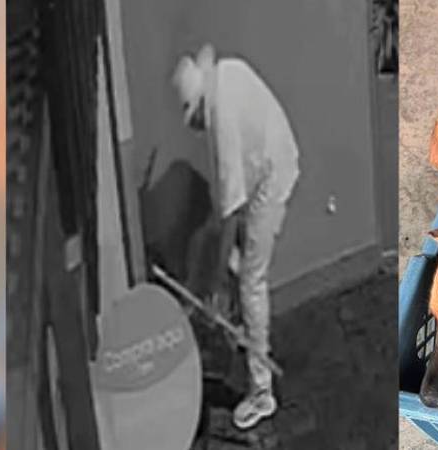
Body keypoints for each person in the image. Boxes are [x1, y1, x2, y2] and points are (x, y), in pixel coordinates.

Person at [171, 43, 300, 430]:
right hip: (270, 158)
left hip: (271, 180)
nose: (195, 130)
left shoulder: (219, 119)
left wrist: (213, 291)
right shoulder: (224, 71)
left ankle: (262, 392)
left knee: (250, 281)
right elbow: (224, 207)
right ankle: (248, 335)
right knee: (234, 264)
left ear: (198, 110)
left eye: (193, 121)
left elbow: (227, 218)